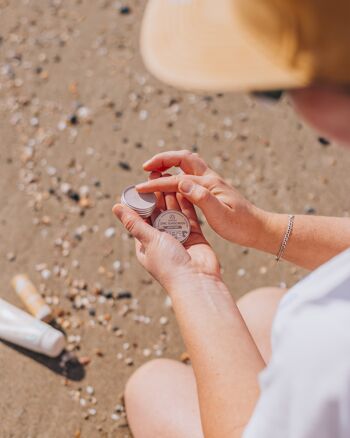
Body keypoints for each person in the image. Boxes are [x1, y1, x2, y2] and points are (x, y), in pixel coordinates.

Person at [113, 0, 350, 437]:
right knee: (261, 309)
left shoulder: (327, 333)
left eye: (272, 84)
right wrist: (262, 227)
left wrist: (195, 284)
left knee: (152, 388)